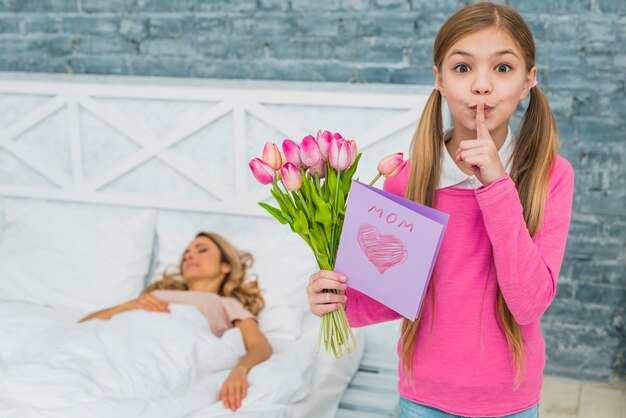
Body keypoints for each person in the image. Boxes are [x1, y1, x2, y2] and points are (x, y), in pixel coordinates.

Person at [307, 3, 574, 417]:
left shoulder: (550, 175)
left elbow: (528, 304)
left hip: (510, 401)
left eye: (502, 68)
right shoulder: (406, 179)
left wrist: (497, 185)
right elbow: (393, 293)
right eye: (463, 68)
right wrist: (337, 297)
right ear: (439, 80)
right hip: (423, 397)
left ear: (528, 81)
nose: (481, 86)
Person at [80, 232, 272, 412]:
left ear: (225, 266)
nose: (189, 256)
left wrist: (240, 370)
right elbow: (83, 324)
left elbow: (259, 345)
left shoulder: (226, 302)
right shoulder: (153, 295)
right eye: (186, 253)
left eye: (201, 249)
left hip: (166, 349)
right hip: (122, 341)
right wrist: (130, 305)